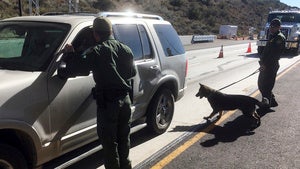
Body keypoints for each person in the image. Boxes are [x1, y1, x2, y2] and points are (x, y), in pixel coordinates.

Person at [60, 17, 136, 169]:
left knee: (109, 144)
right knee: (123, 141)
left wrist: (70, 54)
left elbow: (76, 68)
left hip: (108, 105)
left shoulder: (97, 51)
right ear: (111, 31)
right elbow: (132, 71)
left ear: (95, 34)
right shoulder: (125, 49)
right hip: (125, 101)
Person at [258, 18, 286, 108]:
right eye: (271, 26)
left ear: (279, 27)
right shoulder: (272, 35)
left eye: (274, 26)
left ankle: (267, 105)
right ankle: (271, 101)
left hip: (270, 65)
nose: (271, 28)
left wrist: (264, 65)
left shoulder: (279, 38)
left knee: (266, 86)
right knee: (261, 84)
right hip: (265, 64)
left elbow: (274, 55)